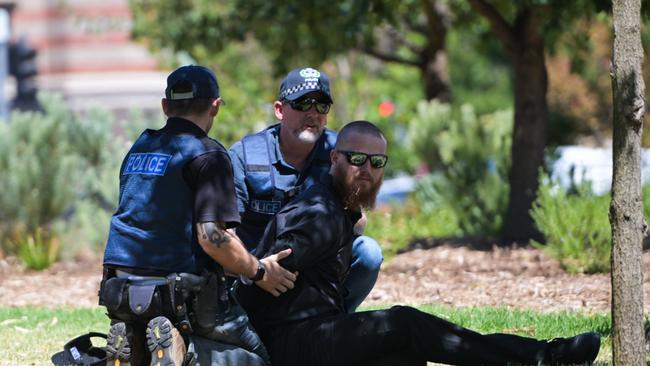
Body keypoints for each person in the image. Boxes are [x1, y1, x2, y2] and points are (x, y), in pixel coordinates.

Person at [236, 120, 601, 366]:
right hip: (289, 343)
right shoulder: (320, 212)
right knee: (404, 323)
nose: (367, 169)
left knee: (406, 352)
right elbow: (266, 267)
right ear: (334, 158)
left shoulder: (338, 207)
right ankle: (543, 356)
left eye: (377, 161)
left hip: (315, 331)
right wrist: (261, 275)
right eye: (357, 159)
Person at [99, 65, 296, 365]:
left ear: (166, 106)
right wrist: (258, 271)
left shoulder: (140, 147)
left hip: (120, 291)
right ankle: (186, 350)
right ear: (215, 107)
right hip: (178, 294)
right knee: (257, 358)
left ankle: (136, 342)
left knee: (156, 334)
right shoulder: (207, 154)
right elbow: (211, 238)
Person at [229, 67, 382, 312]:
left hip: (319, 269)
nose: (313, 114)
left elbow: (358, 223)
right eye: (302, 104)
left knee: (368, 253)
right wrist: (256, 269)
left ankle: (336, 321)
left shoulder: (341, 152)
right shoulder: (244, 156)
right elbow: (225, 234)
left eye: (321, 106)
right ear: (279, 110)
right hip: (258, 271)